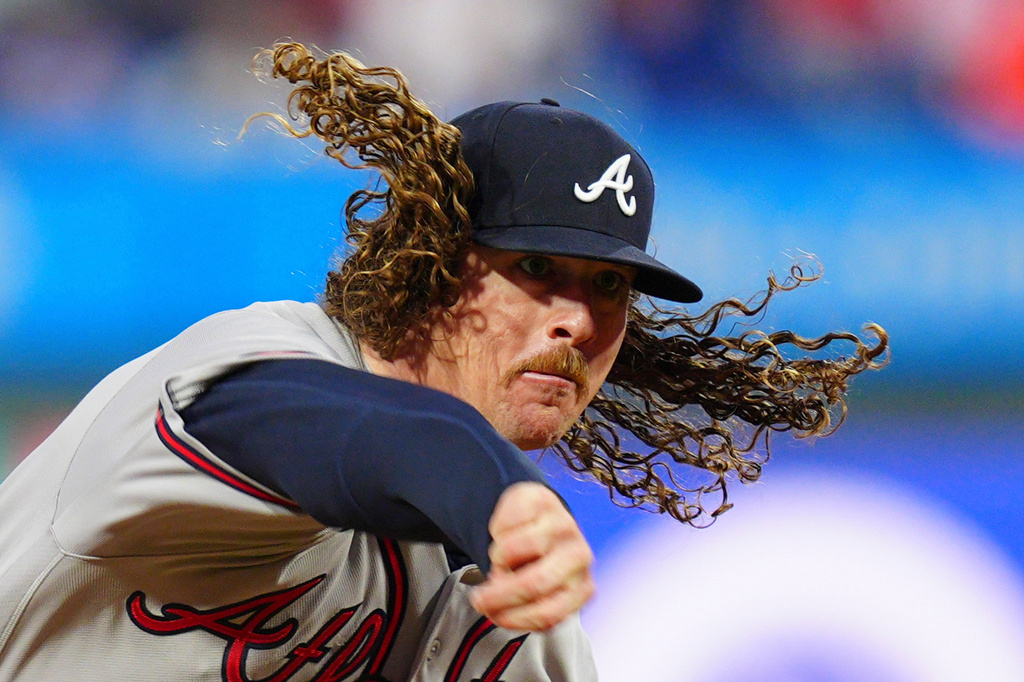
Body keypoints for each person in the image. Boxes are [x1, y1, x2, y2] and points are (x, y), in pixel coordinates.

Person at [0, 43, 887, 681]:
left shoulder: (509, 618)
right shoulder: (257, 363)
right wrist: (501, 495)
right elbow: (341, 432)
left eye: (611, 286)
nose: (579, 318)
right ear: (427, 259)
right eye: (536, 267)